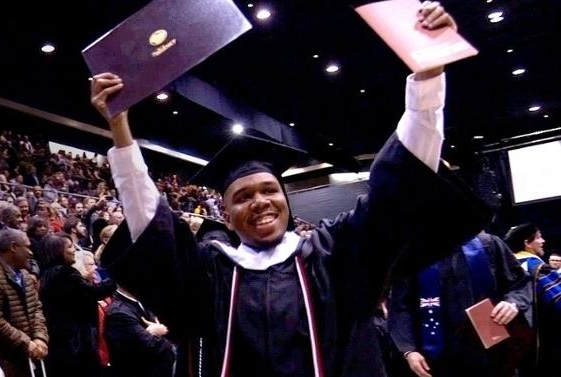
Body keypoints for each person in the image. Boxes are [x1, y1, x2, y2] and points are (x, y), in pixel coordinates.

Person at [91, 3, 491, 376]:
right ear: (225, 213)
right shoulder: (211, 272)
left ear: (286, 198)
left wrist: (428, 76)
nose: (261, 201)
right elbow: (152, 226)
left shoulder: (332, 255)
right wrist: (121, 130)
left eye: (269, 190)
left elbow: (397, 190)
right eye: (243, 197)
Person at [388, 231, 532, 377]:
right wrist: (408, 350)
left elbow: (519, 282)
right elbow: (400, 306)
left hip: (492, 352)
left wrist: (513, 303)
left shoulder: (487, 243)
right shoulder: (413, 255)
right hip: (437, 357)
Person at [39, 234, 116, 377]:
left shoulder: (48, 274)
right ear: (57, 251)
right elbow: (92, 293)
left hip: (63, 341)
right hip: (74, 343)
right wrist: (116, 278)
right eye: (69, 246)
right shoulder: (63, 273)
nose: (74, 250)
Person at [503, 223, 561, 377]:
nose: (543, 241)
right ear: (527, 243)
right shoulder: (539, 268)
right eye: (539, 237)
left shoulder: (505, 266)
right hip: (544, 344)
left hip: (513, 344)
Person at [0, 229, 49, 377]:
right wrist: (26, 343)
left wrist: (40, 337)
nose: (31, 253)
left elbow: (36, 307)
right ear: (13, 247)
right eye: (27, 247)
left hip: (31, 354)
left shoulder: (24, 274)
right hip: (7, 358)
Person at [105, 284, 176, 377]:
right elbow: (151, 346)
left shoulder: (142, 300)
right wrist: (164, 333)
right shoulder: (119, 312)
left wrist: (161, 330)